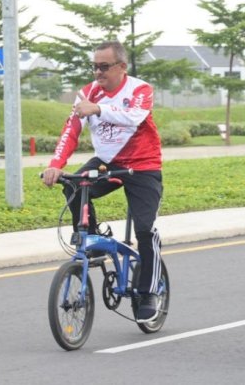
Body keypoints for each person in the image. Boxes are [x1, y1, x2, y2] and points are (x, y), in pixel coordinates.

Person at [41, 40, 164, 323]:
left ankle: (148, 293)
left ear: (122, 67)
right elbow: (70, 132)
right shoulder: (87, 93)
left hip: (143, 167)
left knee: (145, 230)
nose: (98, 72)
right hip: (108, 162)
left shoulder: (140, 89)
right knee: (73, 184)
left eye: (104, 66)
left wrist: (97, 110)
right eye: (94, 66)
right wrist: (55, 166)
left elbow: (134, 117)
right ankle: (91, 238)